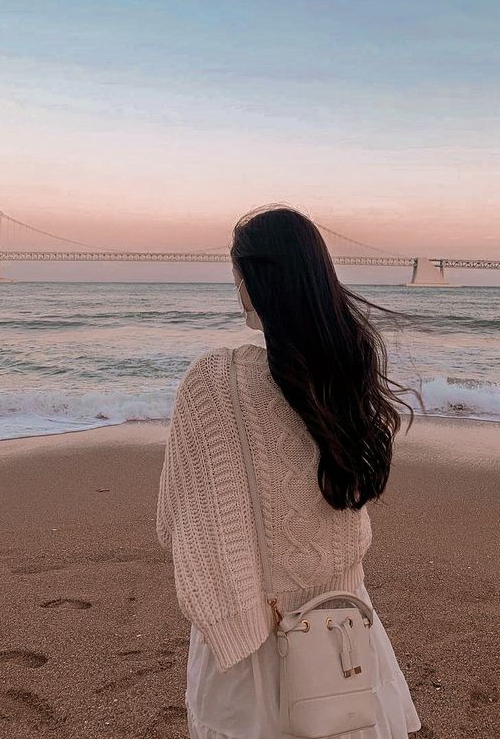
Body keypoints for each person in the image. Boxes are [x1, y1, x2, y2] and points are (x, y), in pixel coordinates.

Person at [156, 204, 423, 738]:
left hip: (244, 638)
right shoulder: (344, 378)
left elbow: (174, 522)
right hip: (340, 632)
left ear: (251, 282)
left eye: (239, 278)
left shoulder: (214, 381)